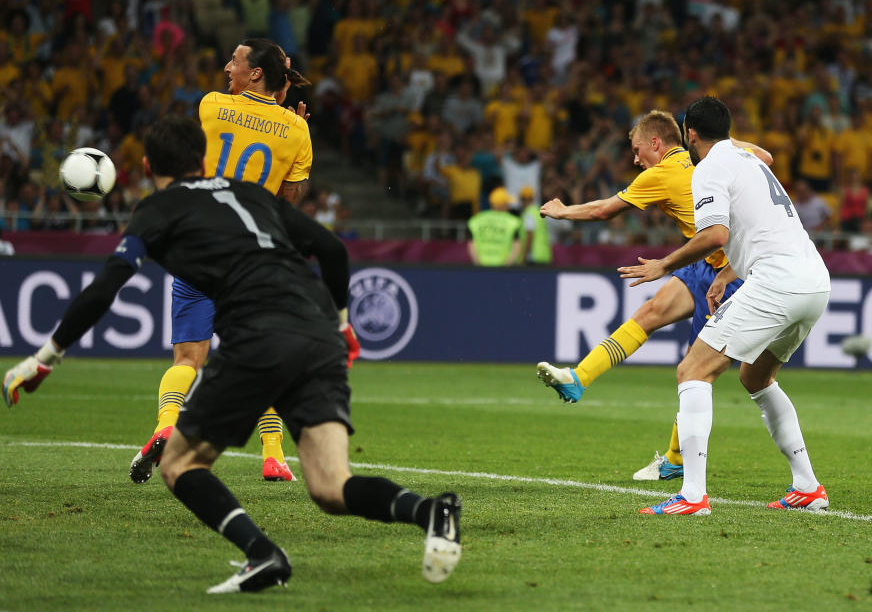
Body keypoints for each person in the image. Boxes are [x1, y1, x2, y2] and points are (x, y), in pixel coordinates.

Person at [2, 115, 462, 592]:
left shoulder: (157, 211)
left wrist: (44, 358)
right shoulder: (251, 193)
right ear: (202, 159)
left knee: (180, 464)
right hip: (318, 329)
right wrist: (344, 325)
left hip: (259, 333)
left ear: (144, 165)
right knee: (330, 486)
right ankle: (432, 510)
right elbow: (332, 249)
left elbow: (103, 290)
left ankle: (263, 554)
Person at [128, 38, 360, 485]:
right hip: (254, 258)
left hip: (200, 248)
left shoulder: (212, 105)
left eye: (233, 60)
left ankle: (165, 426)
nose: (225, 67)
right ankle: (273, 455)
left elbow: (192, 158)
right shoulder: (297, 129)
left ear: (255, 72)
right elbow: (289, 200)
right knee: (265, 351)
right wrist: (286, 113)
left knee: (187, 356)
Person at [618, 96, 831, 515]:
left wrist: (665, 263)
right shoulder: (748, 158)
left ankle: (693, 495)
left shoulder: (709, 168)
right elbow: (760, 229)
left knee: (693, 370)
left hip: (777, 282)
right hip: (813, 279)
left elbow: (715, 235)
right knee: (756, 377)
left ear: (690, 134)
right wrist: (727, 272)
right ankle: (807, 486)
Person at [535, 110, 772, 482]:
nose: (635, 159)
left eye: (636, 150)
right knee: (651, 313)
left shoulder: (660, 173)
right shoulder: (708, 157)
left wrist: (564, 212)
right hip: (704, 263)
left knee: (696, 371)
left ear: (656, 144)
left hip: (733, 274)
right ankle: (577, 379)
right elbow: (766, 157)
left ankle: (677, 460)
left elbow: (602, 211)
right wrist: (728, 143)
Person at [467, 186, 523, 266]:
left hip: (482, 267)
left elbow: (472, 245)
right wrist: (506, 267)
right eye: (507, 203)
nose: (508, 206)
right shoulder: (513, 222)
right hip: (503, 269)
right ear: (503, 204)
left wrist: (479, 266)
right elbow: (516, 247)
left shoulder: (476, 220)